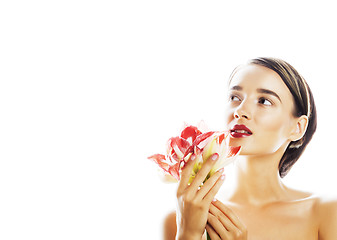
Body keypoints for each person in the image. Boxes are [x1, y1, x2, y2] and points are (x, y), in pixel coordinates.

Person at [163, 57, 337, 240]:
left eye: (264, 101)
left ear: (297, 128)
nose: (240, 110)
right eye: (235, 97)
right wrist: (188, 234)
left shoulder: (326, 213)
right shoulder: (181, 218)